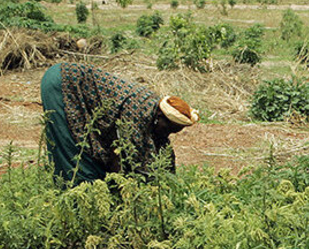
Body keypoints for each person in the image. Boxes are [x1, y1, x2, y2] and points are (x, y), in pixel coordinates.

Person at [40, 62, 198, 187]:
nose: (168, 134)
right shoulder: (137, 112)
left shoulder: (154, 114)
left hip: (73, 83)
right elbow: (123, 157)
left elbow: (162, 149)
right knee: (73, 149)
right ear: (160, 117)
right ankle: (74, 199)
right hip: (64, 83)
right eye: (169, 129)